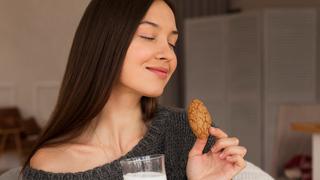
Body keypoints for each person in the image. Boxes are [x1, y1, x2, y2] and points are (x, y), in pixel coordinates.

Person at [21, 0, 247, 179]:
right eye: (148, 36)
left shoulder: (189, 136)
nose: (168, 55)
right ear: (105, 42)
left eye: (172, 43)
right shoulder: (49, 166)